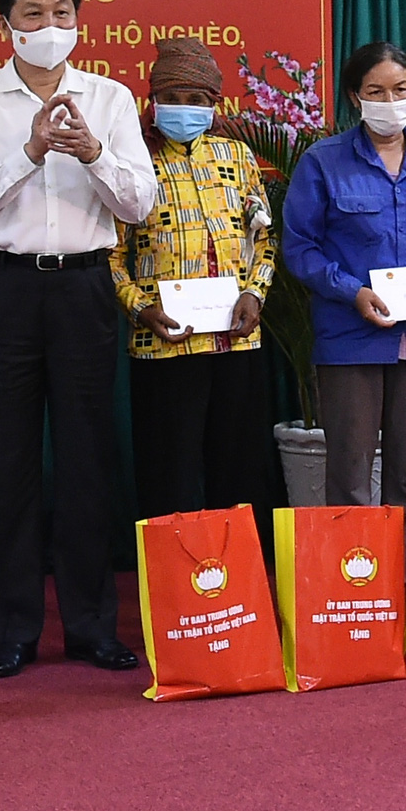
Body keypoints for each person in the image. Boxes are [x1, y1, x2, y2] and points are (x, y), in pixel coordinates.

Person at [0, 0, 158, 679]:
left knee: (88, 460)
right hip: (2, 289)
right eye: (33, 14)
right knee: (7, 461)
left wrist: (94, 154)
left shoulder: (110, 98)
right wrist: (30, 152)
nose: (49, 26)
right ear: (5, 21)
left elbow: (138, 204)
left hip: (84, 288)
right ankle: (12, 629)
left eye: (62, 11)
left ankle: (92, 626)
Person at [283, 41, 406, 511]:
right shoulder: (323, 162)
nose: (391, 101)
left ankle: (403, 559)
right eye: (376, 91)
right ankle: (354, 562)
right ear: (355, 97)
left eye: (400, 89)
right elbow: (300, 247)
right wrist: (353, 292)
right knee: (349, 478)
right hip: (350, 339)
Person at [109, 37, 278, 541]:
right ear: (153, 101)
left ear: (214, 104)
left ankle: (236, 577)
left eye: (197, 100)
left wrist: (255, 294)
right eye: (173, 98)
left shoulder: (237, 157)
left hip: (236, 341)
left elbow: (264, 238)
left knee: (239, 470)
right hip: (163, 344)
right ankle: (173, 580)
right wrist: (141, 308)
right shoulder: (132, 161)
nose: (184, 109)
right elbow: (109, 256)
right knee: (169, 473)